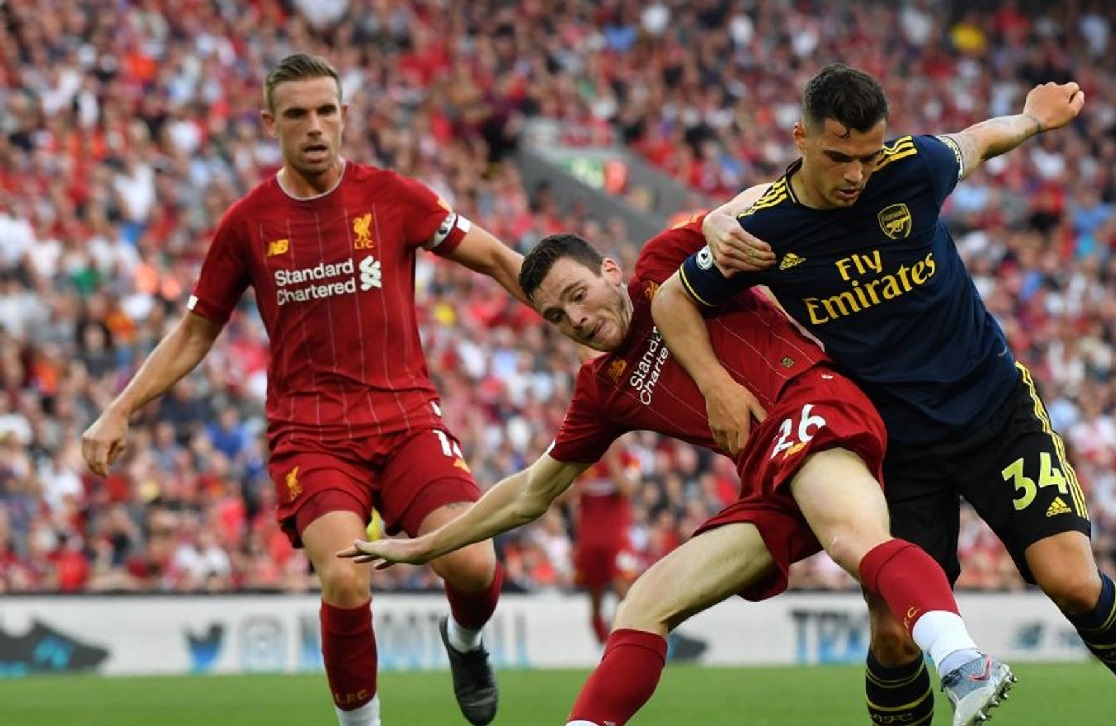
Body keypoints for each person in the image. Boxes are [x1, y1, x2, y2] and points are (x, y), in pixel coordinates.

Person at [652, 62, 1116, 726]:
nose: (856, 173)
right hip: (896, 447)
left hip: (994, 407)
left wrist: (1031, 117)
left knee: (1073, 581)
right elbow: (672, 298)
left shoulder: (913, 168)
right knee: (894, 637)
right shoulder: (762, 231)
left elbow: (976, 140)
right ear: (800, 138)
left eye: (868, 155)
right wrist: (715, 386)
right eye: (838, 156)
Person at [339, 220, 1017, 726]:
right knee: (645, 603)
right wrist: (427, 545)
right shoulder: (602, 388)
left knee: (852, 541)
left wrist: (721, 218)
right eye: (555, 315)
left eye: (579, 294)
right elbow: (532, 492)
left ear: (609, 270)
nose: (577, 319)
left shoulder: (664, 264)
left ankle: (963, 663)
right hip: (769, 473)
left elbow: (752, 213)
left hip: (814, 405)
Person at [80, 53, 520, 726]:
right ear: (270, 124)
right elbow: (196, 331)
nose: (314, 126)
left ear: (345, 118)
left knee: (470, 562)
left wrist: (567, 308)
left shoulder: (394, 196)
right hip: (311, 434)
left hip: (405, 416)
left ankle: (464, 642)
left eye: (325, 112)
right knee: (345, 576)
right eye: (296, 114)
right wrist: (120, 408)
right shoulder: (248, 223)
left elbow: (492, 255)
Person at [569, 439, 641, 644]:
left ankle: (624, 632)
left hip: (618, 537)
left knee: (623, 589)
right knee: (595, 593)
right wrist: (578, 489)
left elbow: (627, 489)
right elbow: (557, 498)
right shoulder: (583, 461)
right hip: (589, 538)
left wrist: (612, 461)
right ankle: (599, 627)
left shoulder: (631, 460)